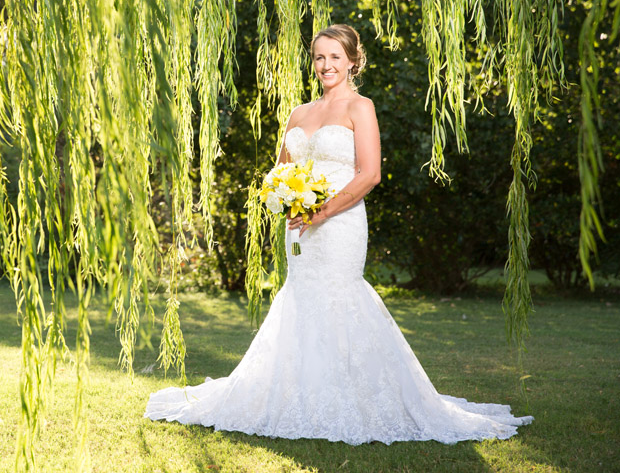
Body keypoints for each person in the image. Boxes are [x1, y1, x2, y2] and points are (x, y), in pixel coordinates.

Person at [143, 24, 533, 443]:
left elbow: (370, 175)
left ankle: (355, 396)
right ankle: (298, 393)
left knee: (340, 297)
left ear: (352, 60)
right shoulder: (299, 113)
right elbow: (281, 171)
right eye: (319, 57)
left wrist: (321, 212)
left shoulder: (359, 108)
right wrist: (286, 200)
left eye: (334, 57)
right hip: (300, 228)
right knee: (301, 298)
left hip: (340, 224)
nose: (326, 65)